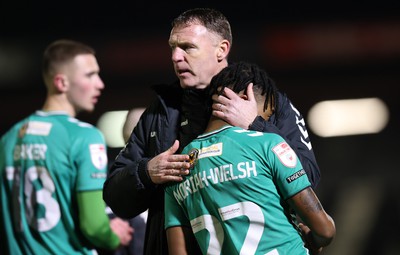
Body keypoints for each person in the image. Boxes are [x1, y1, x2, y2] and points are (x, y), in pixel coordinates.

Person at [103, 8, 320, 254]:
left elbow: (307, 175)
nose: (176, 56)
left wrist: (256, 126)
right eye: (173, 47)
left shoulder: (266, 101)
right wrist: (146, 171)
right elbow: (114, 194)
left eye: (187, 47)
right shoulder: (160, 113)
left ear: (222, 49)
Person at [165, 61, 335, 255]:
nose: (263, 120)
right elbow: (326, 230)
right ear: (246, 96)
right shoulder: (269, 144)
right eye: (266, 114)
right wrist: (311, 239)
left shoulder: (177, 167)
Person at [0, 39, 133, 255]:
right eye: (90, 75)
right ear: (61, 83)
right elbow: (94, 226)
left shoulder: (8, 140)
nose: (100, 83)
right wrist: (112, 237)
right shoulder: (85, 137)